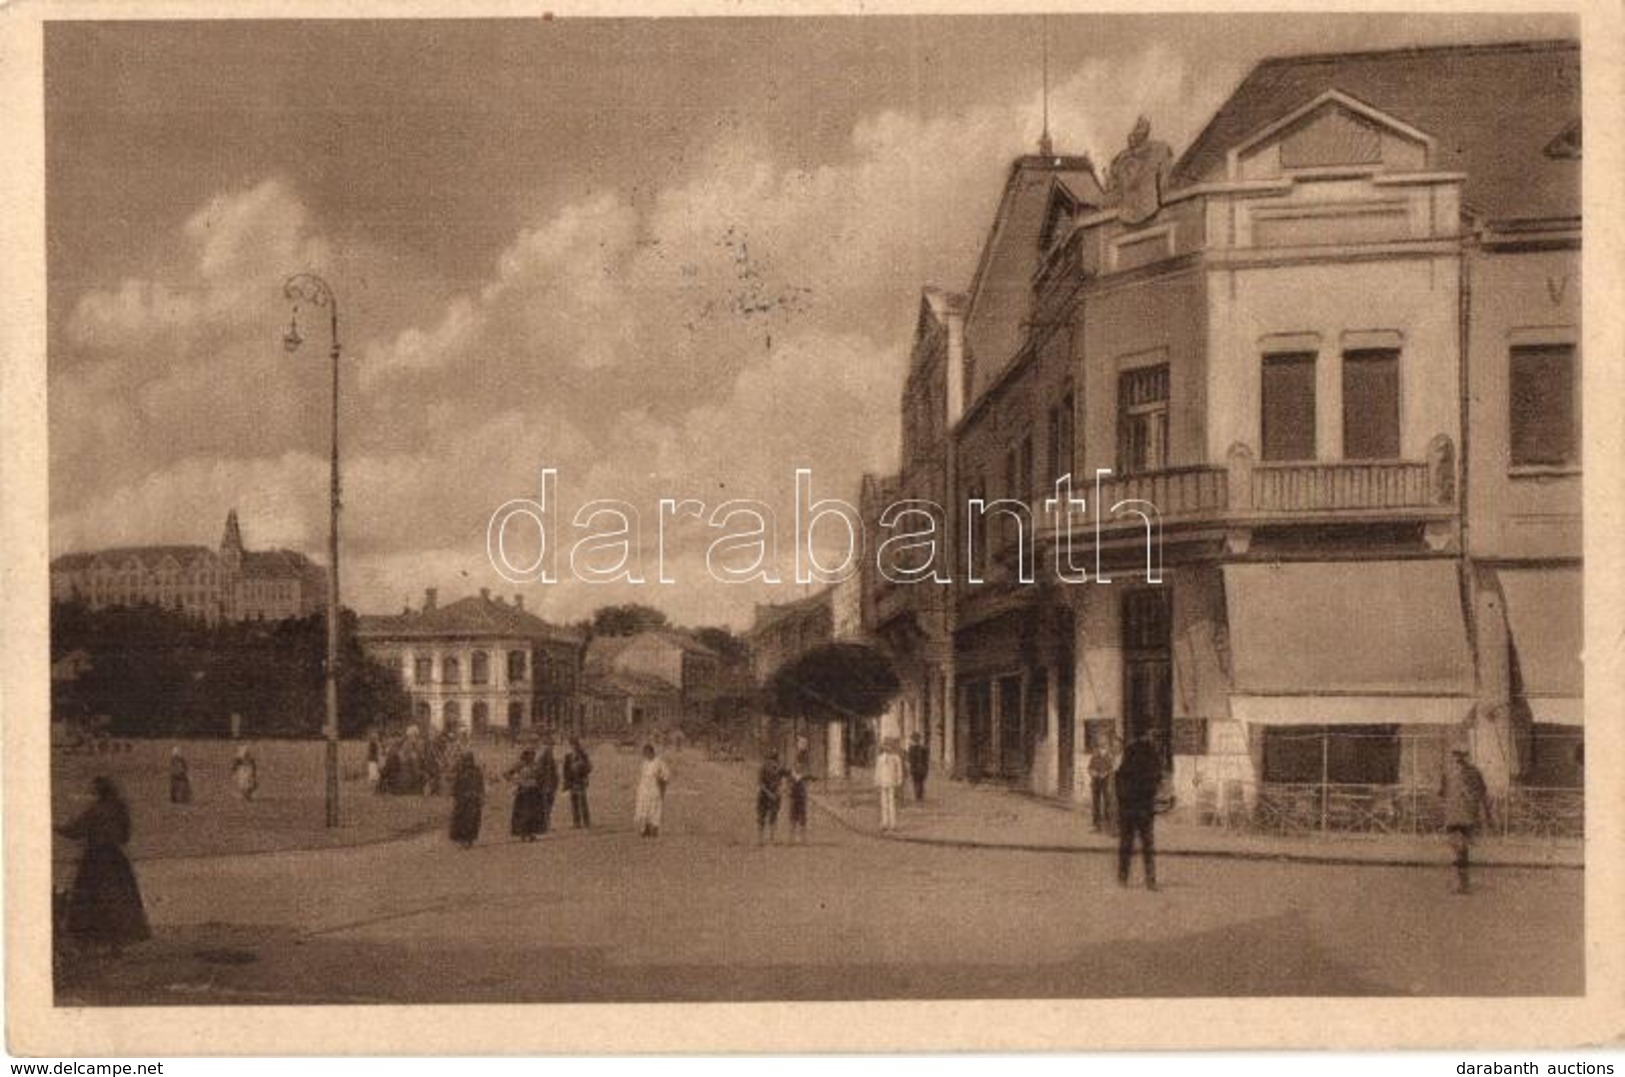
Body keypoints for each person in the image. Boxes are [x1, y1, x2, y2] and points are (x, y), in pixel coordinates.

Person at [57, 777, 150, 955]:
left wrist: (55, 827)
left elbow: (75, 831)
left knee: (91, 901)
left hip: (95, 860)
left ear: (99, 791)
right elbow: (125, 836)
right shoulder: (120, 809)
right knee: (119, 901)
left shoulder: (94, 810)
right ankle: (117, 946)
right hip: (116, 859)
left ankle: (89, 945)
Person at [1114, 730, 1162, 890]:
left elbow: (1118, 783)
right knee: (1148, 845)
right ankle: (1151, 880)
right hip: (1144, 809)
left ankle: (1122, 878)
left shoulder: (1128, 756)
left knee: (1126, 844)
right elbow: (1156, 780)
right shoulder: (1152, 756)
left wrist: (1121, 804)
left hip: (1127, 808)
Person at [1441, 748, 1492, 894]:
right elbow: (1483, 792)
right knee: (1461, 849)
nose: (1458, 758)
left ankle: (1461, 883)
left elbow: (1442, 793)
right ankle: (1463, 882)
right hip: (1465, 815)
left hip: (1456, 815)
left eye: (1458, 755)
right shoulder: (1473, 772)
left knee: (1458, 847)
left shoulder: (1450, 772)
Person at [504, 748, 545, 841]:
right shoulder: (520, 764)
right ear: (525, 755)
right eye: (530, 755)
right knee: (523, 813)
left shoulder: (536, 765)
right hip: (523, 792)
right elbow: (506, 774)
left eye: (533, 755)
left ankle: (531, 833)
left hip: (534, 791)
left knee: (533, 813)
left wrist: (538, 782)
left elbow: (541, 776)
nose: (532, 757)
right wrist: (517, 781)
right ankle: (522, 833)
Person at [633, 743, 671, 838]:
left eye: (648, 753)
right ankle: (645, 828)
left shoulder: (659, 762)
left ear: (652, 752)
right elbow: (642, 776)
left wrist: (661, 779)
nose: (646, 755)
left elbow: (667, 775)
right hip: (644, 789)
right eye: (644, 753)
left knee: (655, 809)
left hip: (655, 789)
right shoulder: (645, 763)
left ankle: (654, 829)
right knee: (644, 808)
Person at [448, 751, 485, 848]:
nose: (468, 762)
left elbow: (480, 784)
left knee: (472, 819)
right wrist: (454, 794)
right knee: (460, 818)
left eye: (470, 760)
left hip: (473, 798)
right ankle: (461, 839)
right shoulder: (460, 771)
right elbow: (455, 784)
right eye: (466, 760)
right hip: (462, 799)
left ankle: (469, 839)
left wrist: (481, 796)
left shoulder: (477, 771)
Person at [1087, 733, 1118, 833]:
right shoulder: (1095, 754)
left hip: (1107, 781)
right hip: (1096, 781)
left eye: (1104, 740)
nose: (1101, 742)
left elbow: (1113, 767)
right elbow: (1090, 767)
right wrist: (1092, 772)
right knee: (1096, 803)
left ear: (1107, 742)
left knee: (1107, 802)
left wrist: (1106, 773)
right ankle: (1096, 825)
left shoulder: (1110, 755)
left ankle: (1108, 824)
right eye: (1100, 740)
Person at [874, 738, 904, 832]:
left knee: (892, 803)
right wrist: (877, 781)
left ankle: (893, 823)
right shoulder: (880, 758)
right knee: (884, 803)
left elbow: (899, 771)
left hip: (892, 782)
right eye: (886, 746)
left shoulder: (896, 758)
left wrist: (899, 781)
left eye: (889, 746)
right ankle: (884, 822)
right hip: (883, 782)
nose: (887, 748)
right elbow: (878, 770)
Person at [562, 737, 593, 829]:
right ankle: (576, 822)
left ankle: (586, 821)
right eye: (572, 745)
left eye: (575, 744)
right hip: (572, 781)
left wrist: (582, 768)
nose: (574, 746)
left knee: (582, 801)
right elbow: (565, 770)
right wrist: (566, 781)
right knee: (574, 801)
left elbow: (589, 767)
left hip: (580, 781)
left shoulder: (583, 754)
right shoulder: (568, 756)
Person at [756, 751, 785, 844]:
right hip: (764, 795)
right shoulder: (763, 768)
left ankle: (772, 838)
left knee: (773, 816)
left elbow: (781, 782)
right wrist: (769, 793)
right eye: (771, 761)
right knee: (762, 816)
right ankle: (760, 839)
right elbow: (761, 784)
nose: (773, 763)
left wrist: (779, 791)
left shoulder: (779, 769)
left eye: (775, 761)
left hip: (774, 795)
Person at [536, 742, 561, 834]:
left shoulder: (552, 761)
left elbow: (556, 774)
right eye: (549, 749)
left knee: (549, 805)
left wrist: (556, 784)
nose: (551, 750)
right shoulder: (541, 762)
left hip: (551, 786)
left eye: (552, 748)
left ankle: (547, 824)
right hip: (544, 786)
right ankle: (544, 825)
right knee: (545, 805)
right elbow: (538, 774)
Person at [786, 765, 814, 844]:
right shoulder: (791, 777)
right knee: (793, 820)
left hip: (801, 799)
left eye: (800, 767)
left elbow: (811, 780)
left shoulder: (803, 777)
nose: (798, 768)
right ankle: (791, 839)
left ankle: (803, 839)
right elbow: (788, 787)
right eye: (797, 767)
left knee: (803, 820)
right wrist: (789, 793)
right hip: (794, 799)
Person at [906, 732, 930, 803]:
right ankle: (920, 796)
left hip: (915, 769)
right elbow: (926, 759)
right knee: (921, 782)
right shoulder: (924, 748)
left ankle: (917, 796)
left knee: (916, 782)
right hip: (923, 768)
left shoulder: (911, 749)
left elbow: (910, 760)